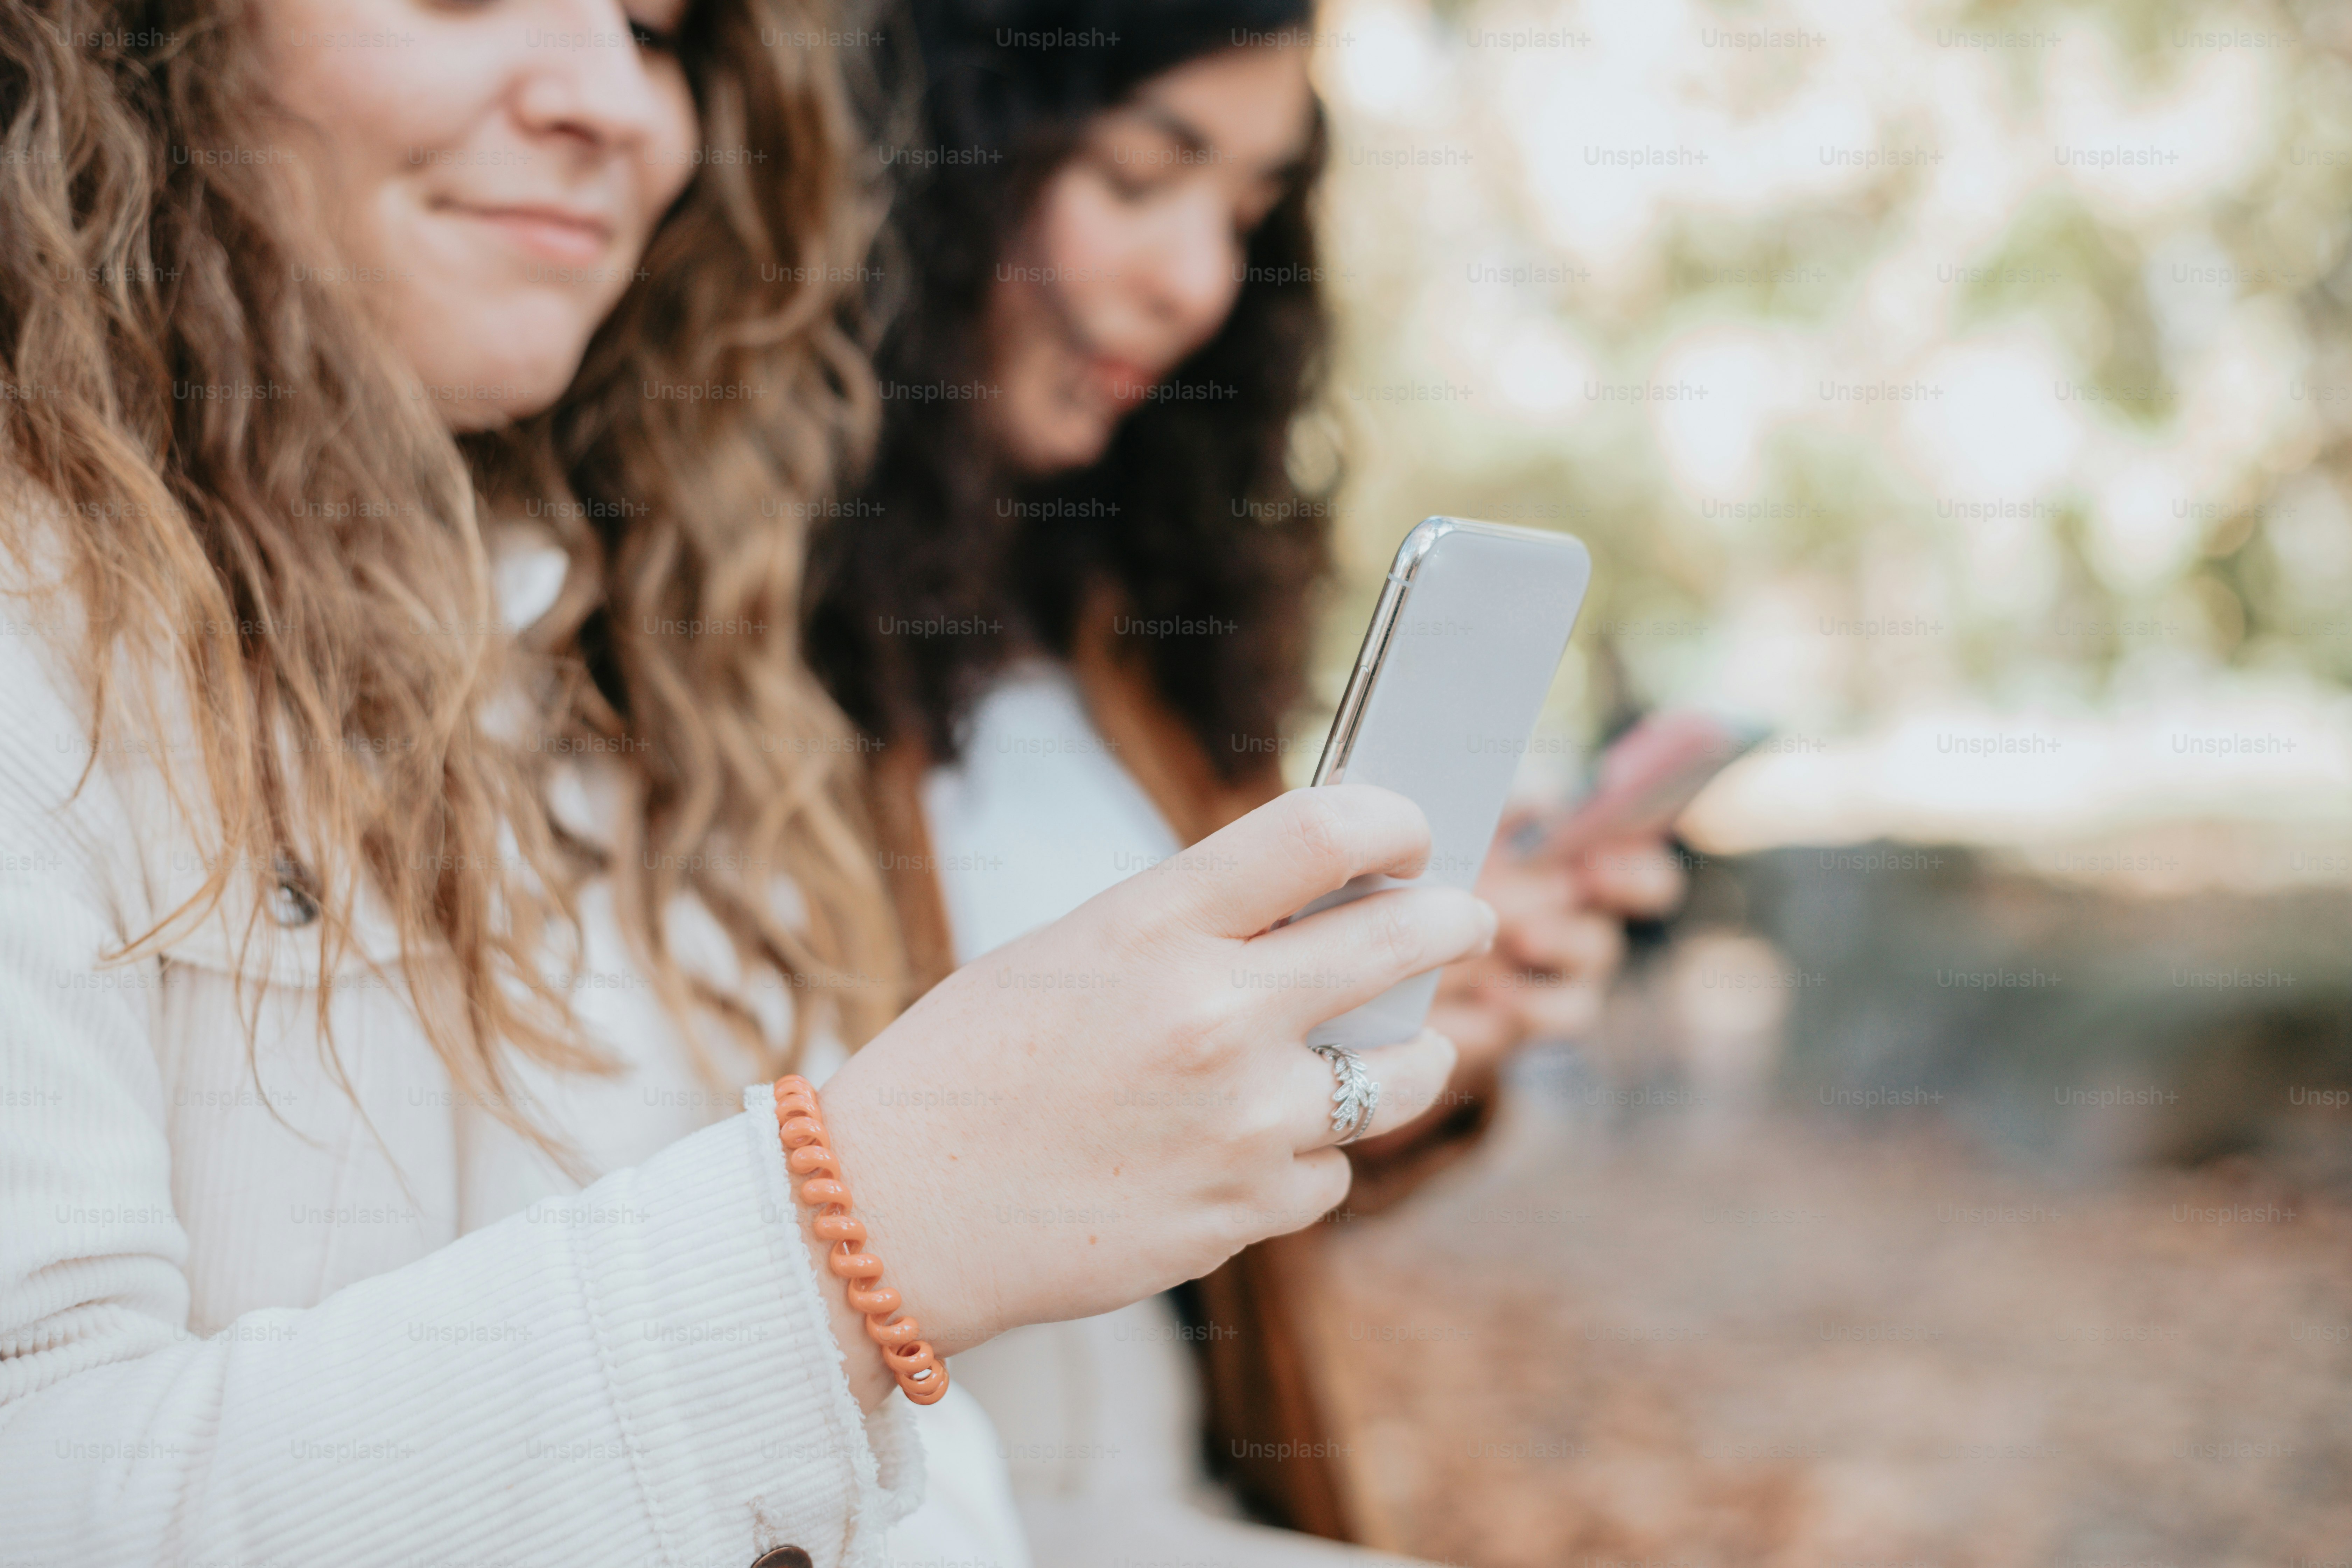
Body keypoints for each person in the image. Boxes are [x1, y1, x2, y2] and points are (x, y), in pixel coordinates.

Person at [0, 2, 1499, 1564]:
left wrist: (1380, 1043)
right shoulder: (50, 641)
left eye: (658, 29)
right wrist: (858, 1234)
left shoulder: (664, 650)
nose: (610, 97)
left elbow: (929, 1481)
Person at [805, 0, 1685, 1559]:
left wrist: (1411, 1034)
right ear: (927, 148)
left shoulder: (1129, 640)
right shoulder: (708, 653)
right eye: (1142, 176)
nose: (1197, 281)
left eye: (1247, 213)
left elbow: (1211, 1183)